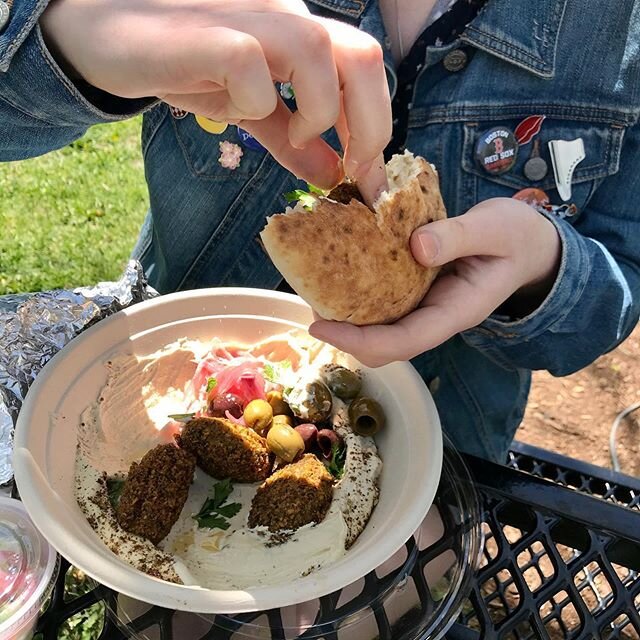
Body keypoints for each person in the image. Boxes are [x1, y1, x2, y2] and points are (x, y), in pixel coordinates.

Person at [2, 0, 640, 462]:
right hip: (167, 400)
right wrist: (66, 40)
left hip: (444, 451)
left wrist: (544, 267)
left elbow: (619, 280)